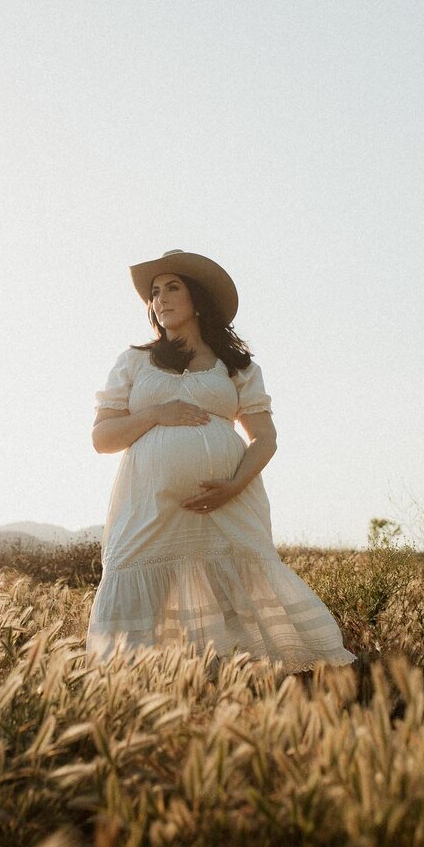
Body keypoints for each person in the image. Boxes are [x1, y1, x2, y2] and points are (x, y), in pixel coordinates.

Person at [86, 249, 357, 674]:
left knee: (237, 589)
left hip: (228, 503)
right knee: (133, 576)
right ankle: (131, 684)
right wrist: (156, 413)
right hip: (149, 505)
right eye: (155, 292)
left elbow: (265, 438)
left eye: (172, 288)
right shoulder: (135, 361)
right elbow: (102, 438)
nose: (161, 299)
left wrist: (233, 486)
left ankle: (240, 683)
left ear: (197, 298)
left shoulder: (235, 366)